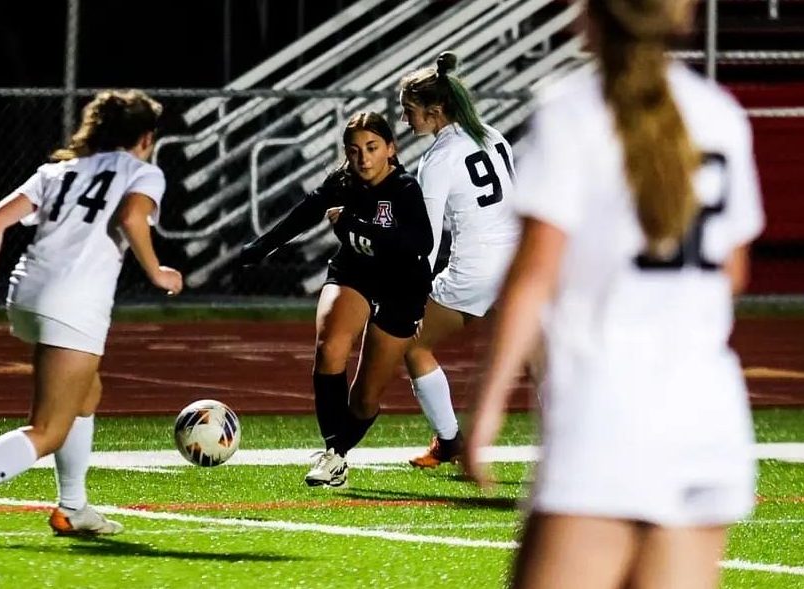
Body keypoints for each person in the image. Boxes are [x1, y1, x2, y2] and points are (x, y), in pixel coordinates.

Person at [463, 0, 764, 586]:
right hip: (709, 421)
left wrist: (487, 408)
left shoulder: (572, 112)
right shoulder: (720, 114)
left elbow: (532, 278)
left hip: (608, 417)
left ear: (590, 17)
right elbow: (734, 271)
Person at [0, 89, 183, 546]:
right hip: (74, 303)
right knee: (48, 430)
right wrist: (157, 271)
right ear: (145, 137)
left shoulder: (57, 171)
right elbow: (131, 217)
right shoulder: (143, 172)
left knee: (87, 393)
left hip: (27, 293)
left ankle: (74, 508)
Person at [239, 112, 433, 487]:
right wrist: (261, 247)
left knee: (363, 401)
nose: (363, 158)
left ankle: (339, 450)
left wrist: (354, 226)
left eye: (372, 148)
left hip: (401, 286)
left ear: (390, 149)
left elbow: (420, 245)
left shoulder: (405, 188)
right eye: (354, 150)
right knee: (330, 347)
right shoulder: (343, 181)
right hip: (353, 274)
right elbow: (305, 213)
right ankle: (334, 454)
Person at [399, 52, 521, 468]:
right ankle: (571, 450)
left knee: (414, 346)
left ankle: (450, 441)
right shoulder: (492, 134)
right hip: (517, 263)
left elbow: (428, 238)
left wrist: (414, 292)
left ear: (435, 111)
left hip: (475, 268)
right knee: (540, 359)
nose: (404, 121)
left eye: (409, 111)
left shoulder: (437, 159)